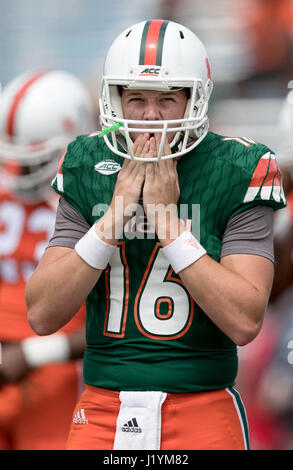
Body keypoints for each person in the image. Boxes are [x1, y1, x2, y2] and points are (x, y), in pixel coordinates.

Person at [25, 20, 286, 450]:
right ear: (115, 99)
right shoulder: (86, 162)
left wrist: (168, 223)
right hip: (102, 409)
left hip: (202, 405)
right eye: (137, 98)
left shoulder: (238, 166)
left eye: (167, 99)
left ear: (195, 98)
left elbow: (244, 320)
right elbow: (43, 314)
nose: (150, 116)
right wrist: (111, 222)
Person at [0, 69, 96, 449]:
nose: (19, 173)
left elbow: (124, 318)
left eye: (34, 160)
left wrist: (34, 352)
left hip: (58, 375)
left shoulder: (100, 204)